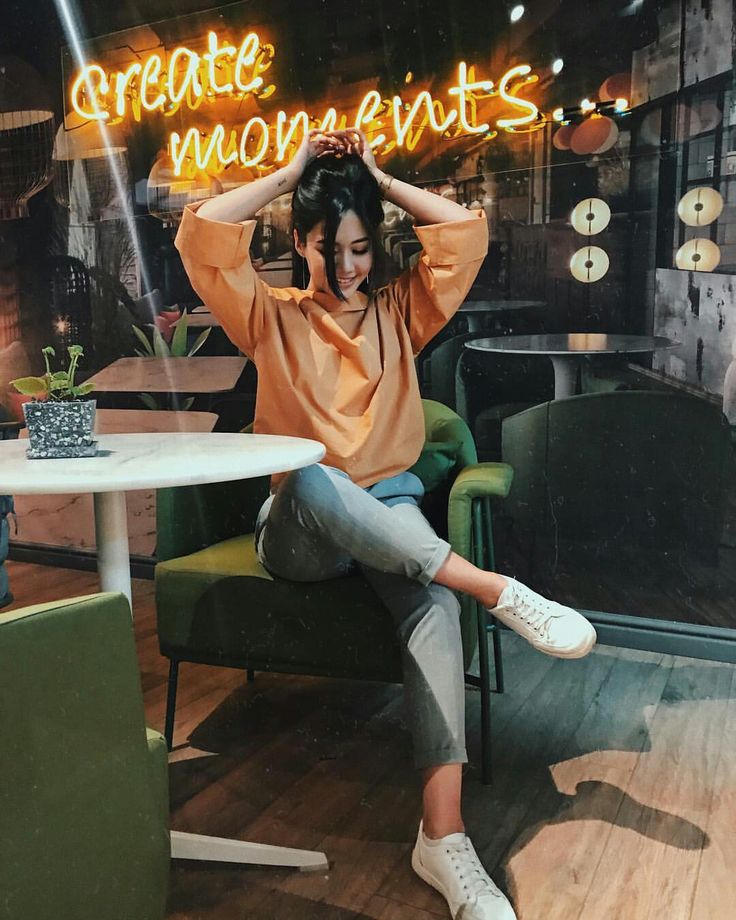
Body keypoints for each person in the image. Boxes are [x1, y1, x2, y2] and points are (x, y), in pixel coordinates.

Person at [175, 127, 596, 920]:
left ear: (377, 247)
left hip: (391, 523)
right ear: (298, 243)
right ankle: (495, 589)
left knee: (432, 610)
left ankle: (443, 839)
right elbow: (201, 236)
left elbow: (464, 235)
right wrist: (290, 171)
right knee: (311, 469)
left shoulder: (400, 314)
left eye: (362, 248)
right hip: (300, 527)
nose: (347, 268)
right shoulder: (270, 317)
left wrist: (379, 175)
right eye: (328, 249)